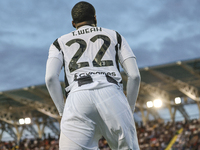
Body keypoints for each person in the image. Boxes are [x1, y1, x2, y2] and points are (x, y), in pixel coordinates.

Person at [45, 1, 141, 150]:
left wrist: (63, 111)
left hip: (77, 97)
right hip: (112, 93)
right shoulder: (114, 35)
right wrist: (129, 107)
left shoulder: (59, 42)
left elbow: (50, 78)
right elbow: (134, 76)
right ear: (95, 18)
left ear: (73, 23)